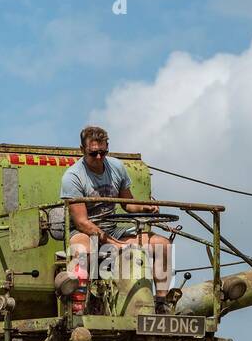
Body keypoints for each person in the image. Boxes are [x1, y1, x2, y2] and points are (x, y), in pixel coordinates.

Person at [60, 125, 173, 308]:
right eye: (93, 153)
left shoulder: (116, 168)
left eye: (103, 153)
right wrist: (113, 243)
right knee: (81, 251)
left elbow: (127, 203)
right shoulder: (73, 177)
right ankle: (78, 309)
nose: (98, 158)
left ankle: (161, 304)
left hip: (112, 229)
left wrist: (145, 207)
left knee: (162, 246)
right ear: (82, 150)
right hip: (84, 232)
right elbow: (81, 223)